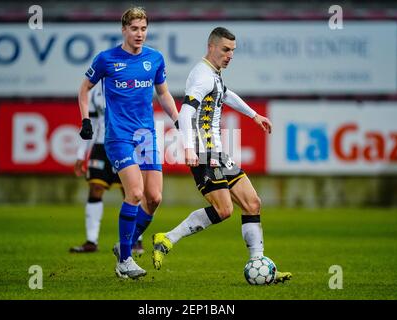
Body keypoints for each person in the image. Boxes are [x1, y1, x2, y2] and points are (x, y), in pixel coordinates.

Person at [152, 27, 292, 283]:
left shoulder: (214, 75)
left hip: (217, 151)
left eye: (233, 51)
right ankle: (168, 238)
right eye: (226, 50)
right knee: (224, 209)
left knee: (252, 203)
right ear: (212, 47)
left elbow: (226, 95)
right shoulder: (201, 76)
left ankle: (258, 262)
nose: (230, 56)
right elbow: (185, 113)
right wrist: (188, 149)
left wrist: (254, 115)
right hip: (203, 152)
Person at [78, 7, 178, 279]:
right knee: (134, 193)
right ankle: (125, 259)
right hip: (118, 136)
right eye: (134, 29)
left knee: (155, 198)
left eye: (143, 29)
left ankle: (123, 245)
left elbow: (164, 93)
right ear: (123, 30)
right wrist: (85, 119)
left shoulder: (154, 59)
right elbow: (84, 88)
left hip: (146, 135)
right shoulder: (106, 59)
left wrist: (177, 118)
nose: (139, 34)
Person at [69, 84, 144, 255]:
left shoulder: (130, 84)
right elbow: (92, 123)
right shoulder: (95, 91)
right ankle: (91, 241)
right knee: (95, 188)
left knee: (131, 192)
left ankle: (136, 240)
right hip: (101, 146)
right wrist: (82, 153)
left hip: (125, 144)